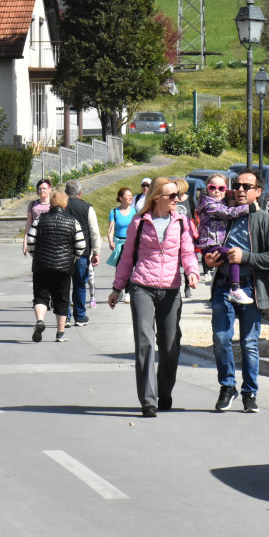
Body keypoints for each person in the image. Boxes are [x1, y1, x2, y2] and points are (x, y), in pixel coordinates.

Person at [108, 177, 200, 418]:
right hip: (142, 288)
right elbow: (127, 257)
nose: (177, 199)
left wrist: (192, 272)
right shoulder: (139, 222)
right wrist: (117, 288)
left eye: (177, 195)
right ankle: (148, 400)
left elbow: (188, 253)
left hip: (171, 289)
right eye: (172, 196)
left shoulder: (181, 222)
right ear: (157, 197)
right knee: (145, 343)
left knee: (170, 347)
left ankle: (164, 390)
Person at [204, 170, 269, 414]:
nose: (240, 190)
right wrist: (209, 260)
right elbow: (209, 243)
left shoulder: (267, 221)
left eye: (246, 186)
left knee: (249, 343)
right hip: (223, 286)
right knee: (221, 339)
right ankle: (227, 387)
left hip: (252, 288)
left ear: (258, 192)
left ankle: (250, 392)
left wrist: (246, 257)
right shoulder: (224, 216)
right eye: (237, 185)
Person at [26, 191, 85, 343]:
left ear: (51, 204)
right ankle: (60, 333)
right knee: (62, 299)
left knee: (40, 296)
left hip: (41, 265)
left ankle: (40, 320)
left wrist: (35, 255)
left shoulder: (40, 219)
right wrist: (72, 258)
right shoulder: (73, 221)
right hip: (64, 267)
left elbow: (30, 241)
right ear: (65, 204)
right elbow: (80, 245)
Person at [196, 174, 256, 305]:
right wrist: (249, 208)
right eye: (212, 187)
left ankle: (234, 288)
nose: (217, 191)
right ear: (207, 189)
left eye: (221, 188)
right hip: (210, 244)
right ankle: (235, 288)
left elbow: (231, 194)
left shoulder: (220, 201)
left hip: (216, 244)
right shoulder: (209, 204)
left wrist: (233, 199)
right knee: (233, 255)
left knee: (232, 256)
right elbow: (228, 213)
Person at [65, 180, 100, 326]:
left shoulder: (62, 206)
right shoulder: (87, 208)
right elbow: (94, 231)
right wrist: (96, 252)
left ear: (66, 192)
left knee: (64, 285)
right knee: (80, 284)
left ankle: (65, 316)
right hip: (82, 252)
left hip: (63, 252)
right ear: (80, 193)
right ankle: (79, 316)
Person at [106, 187, 135, 303]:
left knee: (130, 268)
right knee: (120, 268)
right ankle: (119, 289)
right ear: (121, 198)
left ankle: (128, 292)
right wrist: (110, 241)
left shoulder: (134, 212)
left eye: (131, 195)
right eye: (128, 195)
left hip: (130, 243)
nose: (131, 197)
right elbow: (111, 229)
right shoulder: (114, 212)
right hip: (119, 243)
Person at [21, 178, 52, 255]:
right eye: (40, 189)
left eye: (44, 188)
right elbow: (28, 224)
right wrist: (25, 241)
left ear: (49, 189)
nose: (42, 190)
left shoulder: (54, 204)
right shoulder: (32, 204)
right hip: (36, 239)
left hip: (50, 239)